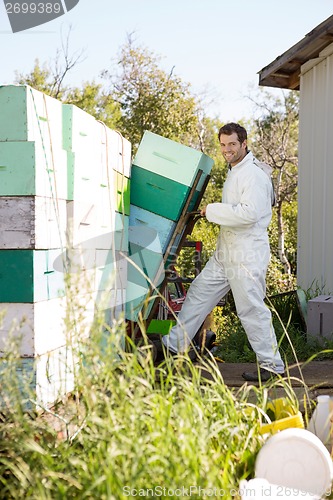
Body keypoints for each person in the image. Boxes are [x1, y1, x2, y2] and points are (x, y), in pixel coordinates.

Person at [161, 122, 285, 381]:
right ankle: (173, 347)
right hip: (226, 252)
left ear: (244, 144)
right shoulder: (235, 171)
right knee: (198, 294)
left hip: (246, 254)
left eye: (232, 144)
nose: (227, 149)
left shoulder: (253, 175)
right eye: (223, 144)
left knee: (251, 309)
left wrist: (212, 210)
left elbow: (249, 214)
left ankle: (272, 367)